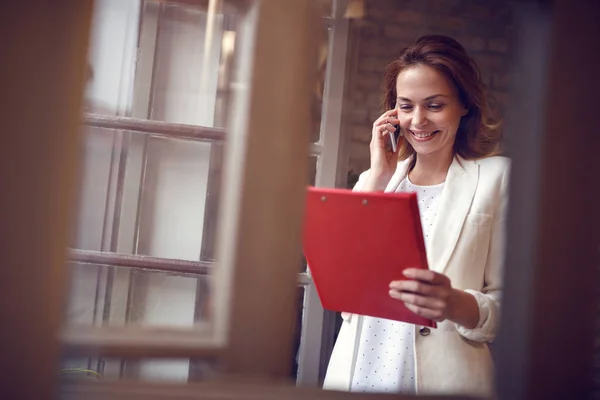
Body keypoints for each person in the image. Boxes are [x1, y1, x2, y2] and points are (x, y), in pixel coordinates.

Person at [322, 35, 509, 397]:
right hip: (359, 366)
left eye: (435, 105)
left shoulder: (498, 178)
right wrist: (377, 174)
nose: (418, 120)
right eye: (406, 106)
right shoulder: (374, 181)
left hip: (446, 378)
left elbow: (512, 306)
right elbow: (336, 279)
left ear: (465, 106)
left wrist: (456, 303)